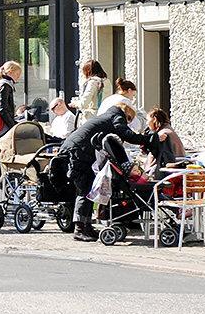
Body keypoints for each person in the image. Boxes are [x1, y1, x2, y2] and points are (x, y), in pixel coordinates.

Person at [59, 100, 159, 242]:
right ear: (127, 114)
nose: (128, 123)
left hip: (76, 150)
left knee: (88, 189)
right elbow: (126, 134)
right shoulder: (117, 116)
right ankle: (80, 229)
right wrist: (150, 139)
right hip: (77, 153)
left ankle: (86, 227)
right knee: (85, 189)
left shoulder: (106, 116)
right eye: (129, 120)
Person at [144, 107, 185, 175]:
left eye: (147, 120)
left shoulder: (162, 135)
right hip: (179, 167)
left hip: (167, 171)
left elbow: (154, 159)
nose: (146, 123)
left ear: (154, 119)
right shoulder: (168, 129)